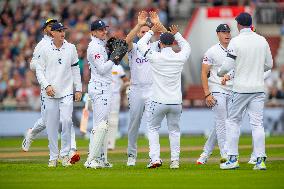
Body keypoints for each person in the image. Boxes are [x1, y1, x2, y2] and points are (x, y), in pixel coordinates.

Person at [218, 12, 273, 170]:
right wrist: (255, 70)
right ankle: (260, 160)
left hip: (241, 89)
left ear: (239, 24)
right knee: (257, 124)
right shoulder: (262, 40)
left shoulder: (236, 41)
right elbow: (269, 64)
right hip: (258, 88)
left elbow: (227, 67)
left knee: (233, 122)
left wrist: (220, 73)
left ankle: (233, 159)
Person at [22, 19, 80, 164]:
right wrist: (46, 83)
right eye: (56, 29)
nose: (62, 33)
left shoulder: (70, 47)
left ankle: (67, 153)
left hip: (66, 90)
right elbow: (34, 66)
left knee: (66, 120)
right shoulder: (42, 46)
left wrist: (78, 88)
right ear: (48, 31)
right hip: (49, 91)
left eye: (63, 30)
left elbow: (75, 68)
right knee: (49, 123)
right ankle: (50, 153)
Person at [137, 24, 191, 169]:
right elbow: (187, 46)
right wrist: (177, 34)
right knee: (174, 131)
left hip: (158, 101)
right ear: (173, 43)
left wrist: (151, 32)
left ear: (160, 44)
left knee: (153, 129)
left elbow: (141, 44)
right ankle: (175, 161)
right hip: (175, 102)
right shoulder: (180, 57)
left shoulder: (155, 56)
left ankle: (155, 159)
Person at [125, 11, 166, 166]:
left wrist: (157, 24)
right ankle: (131, 155)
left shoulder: (156, 46)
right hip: (136, 89)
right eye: (141, 32)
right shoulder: (134, 47)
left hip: (152, 89)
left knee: (152, 124)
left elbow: (170, 37)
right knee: (133, 124)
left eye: (146, 32)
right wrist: (139, 24)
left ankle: (154, 157)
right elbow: (126, 40)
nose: (144, 34)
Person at [197, 24, 233, 164]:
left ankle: (205, 154)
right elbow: (203, 73)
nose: (227, 34)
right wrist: (207, 93)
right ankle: (225, 155)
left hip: (232, 89)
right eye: (224, 32)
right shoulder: (211, 51)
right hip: (217, 89)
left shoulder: (235, 48)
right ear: (218, 34)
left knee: (222, 123)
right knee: (222, 122)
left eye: (228, 32)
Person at [84, 20, 117, 169]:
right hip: (100, 88)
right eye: (100, 30)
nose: (104, 32)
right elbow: (103, 69)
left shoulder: (100, 45)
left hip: (104, 87)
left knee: (103, 125)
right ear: (93, 32)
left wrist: (111, 55)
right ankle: (91, 159)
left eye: (105, 29)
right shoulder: (94, 47)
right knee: (99, 125)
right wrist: (114, 58)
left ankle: (101, 158)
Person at [107, 64, 129, 150]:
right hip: (103, 94)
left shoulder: (118, 67)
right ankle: (101, 142)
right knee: (103, 119)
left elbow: (126, 81)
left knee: (113, 120)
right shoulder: (102, 65)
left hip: (115, 95)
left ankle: (110, 143)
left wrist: (123, 90)